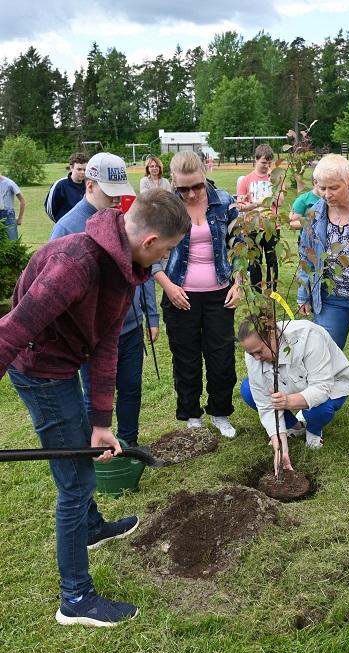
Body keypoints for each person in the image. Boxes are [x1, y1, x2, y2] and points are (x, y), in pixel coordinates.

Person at [0, 189, 190, 627]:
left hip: (65, 363)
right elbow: (11, 332)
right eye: (168, 248)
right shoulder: (76, 264)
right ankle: (76, 598)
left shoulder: (123, 268)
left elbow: (105, 345)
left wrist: (102, 422)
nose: (167, 256)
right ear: (149, 241)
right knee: (76, 483)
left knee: (81, 462)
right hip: (41, 371)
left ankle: (90, 530)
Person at [52, 152, 159, 448]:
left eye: (119, 192)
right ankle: (98, 449)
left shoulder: (126, 220)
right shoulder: (67, 228)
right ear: (89, 185)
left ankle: (128, 445)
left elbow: (144, 268)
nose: (116, 200)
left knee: (131, 387)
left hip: (130, 326)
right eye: (109, 192)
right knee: (97, 396)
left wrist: (150, 315)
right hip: (93, 336)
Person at [153, 150, 242, 438]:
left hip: (220, 295)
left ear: (205, 175)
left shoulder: (225, 202)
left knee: (222, 358)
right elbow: (148, 254)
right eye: (183, 188)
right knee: (186, 360)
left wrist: (238, 284)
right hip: (179, 295)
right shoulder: (164, 208)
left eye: (196, 186)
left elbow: (239, 246)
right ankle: (192, 415)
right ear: (173, 182)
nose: (190, 194)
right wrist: (168, 286)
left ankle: (220, 412)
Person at [297, 154, 349, 420]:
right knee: (323, 352)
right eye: (321, 187)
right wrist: (303, 294)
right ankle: (314, 404)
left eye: (333, 187)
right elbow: (306, 256)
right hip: (330, 297)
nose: (326, 194)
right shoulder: (314, 214)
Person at [239, 318, 349, 473]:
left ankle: (314, 430)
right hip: (288, 385)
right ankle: (294, 427)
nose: (256, 358)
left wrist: (288, 401)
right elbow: (265, 405)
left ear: (272, 335)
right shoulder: (254, 352)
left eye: (259, 351)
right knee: (248, 390)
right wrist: (281, 449)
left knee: (319, 410)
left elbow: (321, 388)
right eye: (251, 354)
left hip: (330, 385)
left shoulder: (308, 337)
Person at [237, 144, 284, 290]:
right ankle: (256, 292)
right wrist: (258, 203)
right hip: (253, 227)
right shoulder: (246, 180)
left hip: (272, 227)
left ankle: (272, 292)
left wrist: (273, 182)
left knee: (272, 261)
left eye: (269, 163)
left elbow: (280, 202)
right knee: (255, 261)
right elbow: (240, 205)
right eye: (263, 162)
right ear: (256, 160)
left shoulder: (276, 179)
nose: (267, 166)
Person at [44, 152, 88, 222]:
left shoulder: (90, 185)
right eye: (79, 169)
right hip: (66, 227)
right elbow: (50, 209)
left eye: (84, 170)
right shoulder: (60, 185)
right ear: (71, 168)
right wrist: (61, 223)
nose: (82, 172)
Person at [289, 174, 323, 241]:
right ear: (315, 182)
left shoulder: (332, 198)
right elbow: (292, 224)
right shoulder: (303, 200)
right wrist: (311, 222)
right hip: (308, 241)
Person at [0, 174, 26, 240]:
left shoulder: (9, 183)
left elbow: (22, 200)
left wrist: (20, 218)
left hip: (7, 215)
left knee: (12, 240)